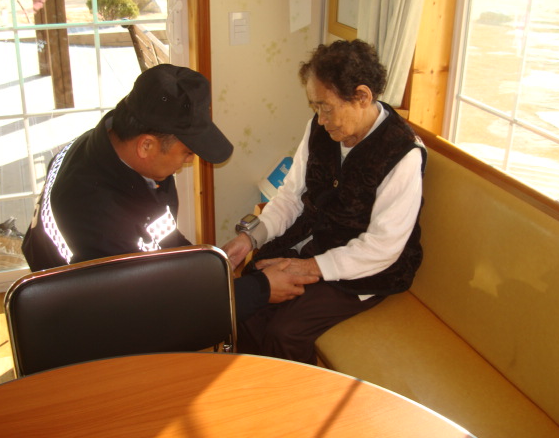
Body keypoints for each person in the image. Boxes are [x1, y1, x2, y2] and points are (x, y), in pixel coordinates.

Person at [21, 64, 318, 321]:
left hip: (119, 288)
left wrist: (206, 263)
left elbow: (157, 232)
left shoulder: (121, 152)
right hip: (81, 316)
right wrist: (260, 290)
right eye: (187, 152)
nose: (191, 161)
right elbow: (156, 307)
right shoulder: (97, 217)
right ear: (146, 146)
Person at [223, 39, 427, 364]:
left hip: (366, 268)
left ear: (362, 96)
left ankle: (296, 395)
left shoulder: (402, 153)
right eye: (315, 107)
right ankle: (251, 381)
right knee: (252, 291)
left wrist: (309, 267)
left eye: (326, 107)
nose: (320, 119)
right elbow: (290, 196)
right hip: (316, 242)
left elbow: (383, 246)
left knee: (285, 331)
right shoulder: (320, 130)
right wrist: (252, 237)